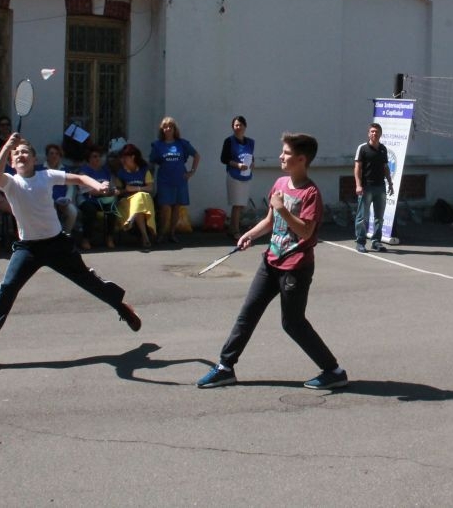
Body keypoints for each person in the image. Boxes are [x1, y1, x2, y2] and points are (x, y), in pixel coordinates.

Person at [0, 133, 141, 360]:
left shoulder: (46, 176)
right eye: (16, 154)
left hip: (57, 244)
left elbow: (79, 179)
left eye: (25, 152)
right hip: (28, 248)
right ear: (11, 162)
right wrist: (7, 145)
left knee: (89, 281)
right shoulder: (10, 182)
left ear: (34, 158)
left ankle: (121, 307)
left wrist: (98, 185)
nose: (20, 155)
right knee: (7, 287)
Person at [196, 133, 347, 390]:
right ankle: (225, 367)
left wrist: (283, 209)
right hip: (270, 262)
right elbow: (269, 221)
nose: (281, 157)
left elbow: (305, 231)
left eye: (286, 153)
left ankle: (334, 371)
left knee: (293, 323)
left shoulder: (311, 193)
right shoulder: (279, 183)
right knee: (248, 314)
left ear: (301, 159)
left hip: (295, 268)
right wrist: (249, 235)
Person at [149, 116, 199, 244]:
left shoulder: (182, 143)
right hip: (164, 180)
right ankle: (161, 233)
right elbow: (152, 162)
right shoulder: (158, 145)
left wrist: (192, 172)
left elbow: (196, 155)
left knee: (176, 207)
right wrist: (149, 178)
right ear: (162, 130)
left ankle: (172, 233)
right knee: (165, 208)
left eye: (170, 127)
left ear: (174, 129)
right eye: (165, 127)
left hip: (180, 180)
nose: (168, 129)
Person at [353, 122, 393, 253]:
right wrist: (358, 185)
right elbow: (357, 168)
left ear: (380, 134)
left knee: (379, 217)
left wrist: (390, 183)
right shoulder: (362, 148)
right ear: (368, 134)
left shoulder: (383, 149)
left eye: (377, 131)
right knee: (362, 217)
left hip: (380, 187)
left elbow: (385, 167)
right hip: (366, 187)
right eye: (372, 131)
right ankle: (360, 242)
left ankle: (376, 242)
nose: (374, 133)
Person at [115, 143, 156, 248]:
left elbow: (150, 188)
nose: (122, 160)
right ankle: (145, 236)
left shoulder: (144, 170)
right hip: (127, 201)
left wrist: (136, 189)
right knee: (140, 201)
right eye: (121, 158)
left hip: (144, 200)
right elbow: (118, 190)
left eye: (125, 157)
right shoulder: (121, 173)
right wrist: (126, 190)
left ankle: (132, 219)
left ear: (132, 157)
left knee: (141, 196)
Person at [220, 115, 255, 240]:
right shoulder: (229, 141)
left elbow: (251, 157)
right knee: (236, 204)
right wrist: (237, 165)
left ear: (245, 126)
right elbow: (224, 159)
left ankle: (231, 229)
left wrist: (252, 163)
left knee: (241, 205)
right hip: (234, 176)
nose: (238, 127)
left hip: (246, 176)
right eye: (236, 125)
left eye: (240, 125)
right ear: (233, 127)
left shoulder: (250, 142)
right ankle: (236, 230)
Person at [76, 146, 115, 250]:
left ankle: (109, 237)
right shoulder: (84, 171)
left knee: (112, 210)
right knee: (90, 211)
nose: (98, 159)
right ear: (89, 159)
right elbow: (88, 190)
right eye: (94, 156)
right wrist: (105, 192)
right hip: (87, 199)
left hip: (103, 199)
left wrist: (113, 191)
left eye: (99, 156)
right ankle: (85, 239)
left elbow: (112, 186)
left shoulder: (105, 170)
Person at [42, 143, 78, 235]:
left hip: (62, 200)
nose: (54, 156)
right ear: (47, 156)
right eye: (51, 153)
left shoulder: (65, 169)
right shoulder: (40, 169)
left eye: (57, 154)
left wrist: (67, 199)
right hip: (47, 201)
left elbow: (70, 187)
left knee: (73, 212)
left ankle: (66, 234)